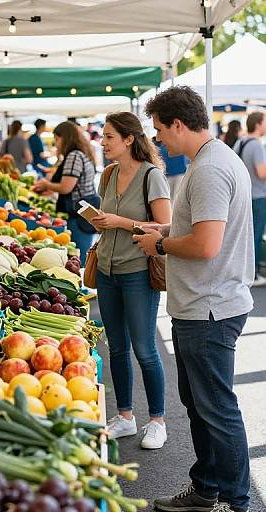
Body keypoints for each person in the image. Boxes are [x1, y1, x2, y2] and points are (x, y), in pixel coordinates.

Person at [134, 86, 253, 512]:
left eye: (162, 131)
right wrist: (165, 232)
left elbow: (206, 246)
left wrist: (161, 247)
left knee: (217, 411)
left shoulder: (208, 169)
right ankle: (206, 489)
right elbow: (201, 228)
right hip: (205, 304)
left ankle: (237, 502)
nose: (160, 140)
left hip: (209, 307)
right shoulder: (213, 159)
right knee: (202, 408)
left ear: (179, 124)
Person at [92, 112, 171, 449]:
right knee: (117, 347)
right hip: (107, 271)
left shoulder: (151, 176)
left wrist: (120, 222)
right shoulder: (108, 175)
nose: (103, 142)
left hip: (138, 271)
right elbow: (106, 218)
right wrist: (100, 222)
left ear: (128, 139)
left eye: (109, 136)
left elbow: (165, 226)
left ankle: (158, 421)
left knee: (144, 348)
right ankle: (125, 416)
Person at [32, 121, 98, 265]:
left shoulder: (74, 155)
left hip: (79, 213)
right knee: (82, 253)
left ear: (65, 138)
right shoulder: (81, 153)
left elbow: (66, 187)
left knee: (78, 256)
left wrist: (46, 184)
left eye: (57, 139)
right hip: (85, 210)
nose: (56, 143)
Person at [233, 111, 266, 286]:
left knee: (246, 235)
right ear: (258, 124)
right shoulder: (256, 145)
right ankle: (253, 274)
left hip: (245, 196)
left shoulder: (241, 141)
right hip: (259, 196)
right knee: (256, 235)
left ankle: (246, 271)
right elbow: (261, 173)